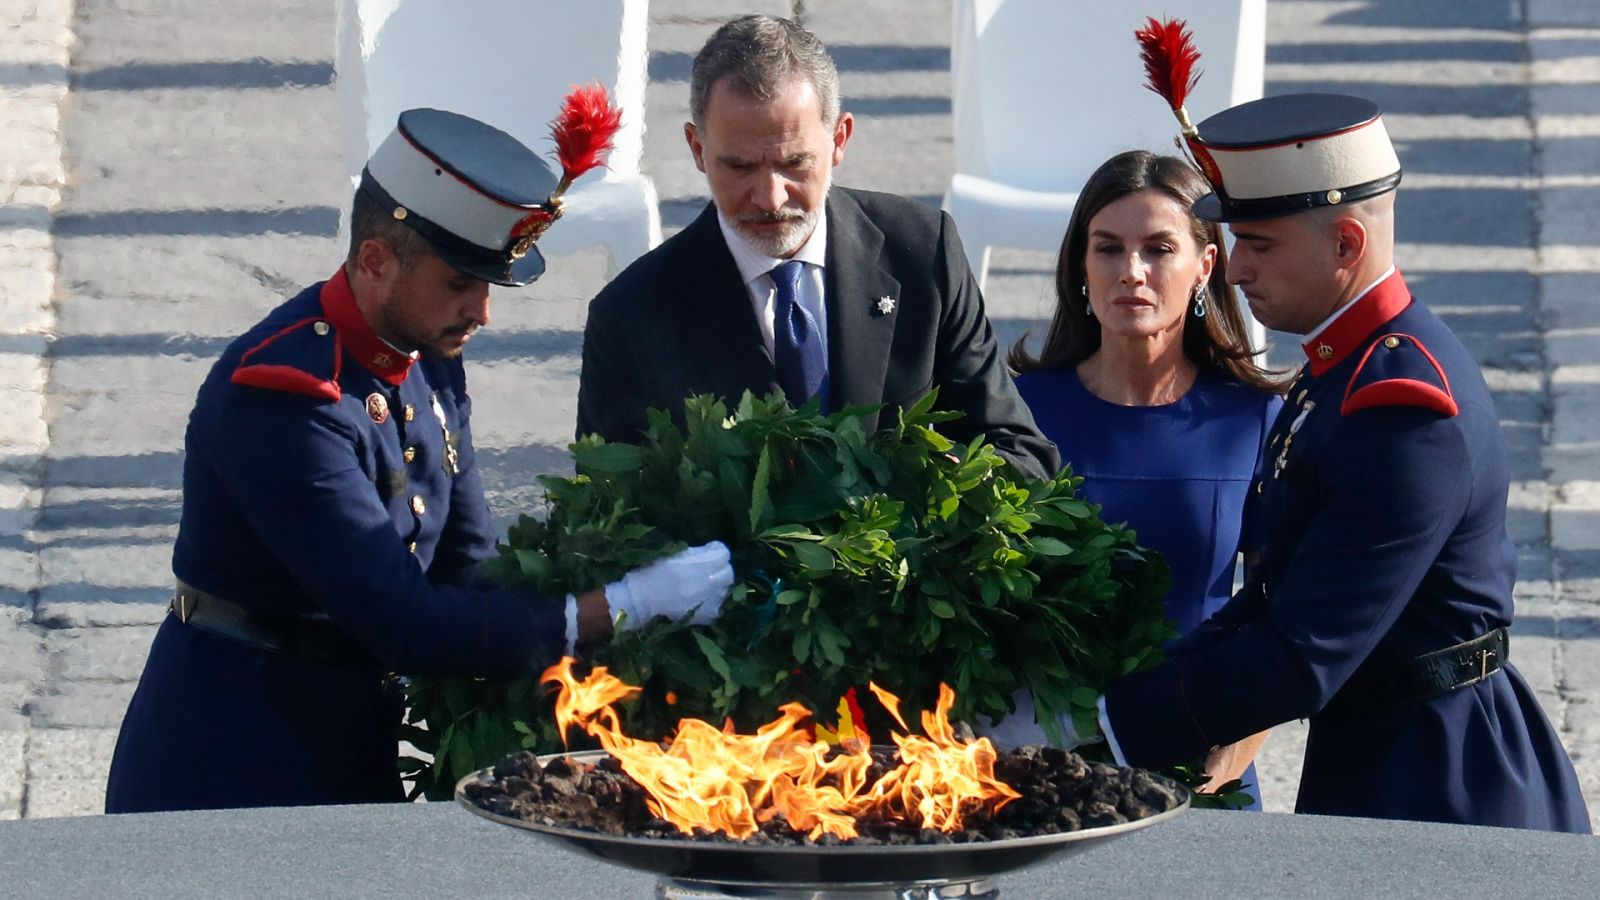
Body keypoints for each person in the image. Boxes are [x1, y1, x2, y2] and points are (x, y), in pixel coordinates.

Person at [105, 109, 734, 813]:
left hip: (348, 737)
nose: (482, 312)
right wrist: (618, 608)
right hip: (234, 758)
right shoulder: (284, 396)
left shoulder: (424, 360)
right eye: (460, 284)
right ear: (376, 260)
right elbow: (403, 620)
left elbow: (468, 565)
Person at [1086, 93, 1589, 831]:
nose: (1236, 272)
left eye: (1259, 245)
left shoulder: (1400, 408)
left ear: (1347, 244)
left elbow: (1302, 650)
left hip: (1447, 786)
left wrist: (1100, 731)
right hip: (1379, 760)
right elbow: (1265, 601)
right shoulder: (1341, 368)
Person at [575, 15, 1058, 481]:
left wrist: (940, 485)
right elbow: (606, 515)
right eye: (740, 167)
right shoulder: (631, 316)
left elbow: (1019, 449)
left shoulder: (924, 255)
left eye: (794, 163)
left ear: (839, 139)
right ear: (697, 150)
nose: (770, 197)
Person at [1006, 150, 1283, 808]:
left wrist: (1244, 734)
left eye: (1159, 249)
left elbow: (1288, 608)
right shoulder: (1016, 413)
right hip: (1040, 761)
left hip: (1202, 752)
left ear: (1204, 267)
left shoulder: (1257, 420)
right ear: (1081, 265)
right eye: (1108, 249)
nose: (1131, 272)